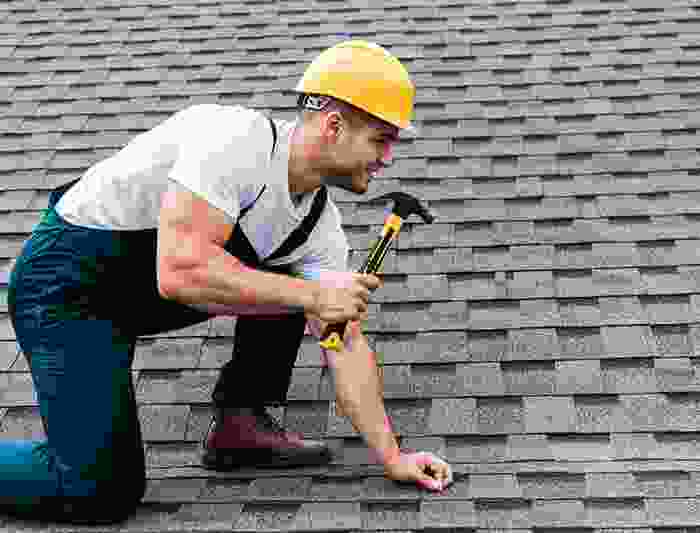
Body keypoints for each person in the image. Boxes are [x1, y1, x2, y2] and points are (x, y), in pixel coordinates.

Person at [3, 40, 453, 526]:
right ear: (333, 125)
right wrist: (315, 295)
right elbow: (181, 271)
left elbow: (342, 340)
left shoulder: (318, 229)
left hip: (134, 296)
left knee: (295, 279)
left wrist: (393, 457)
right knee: (97, 489)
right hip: (66, 290)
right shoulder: (232, 141)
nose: (388, 157)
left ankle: (241, 425)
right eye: (381, 139)